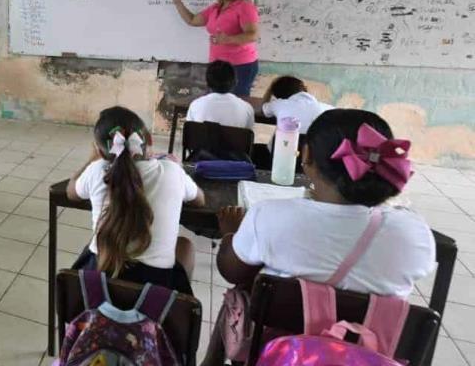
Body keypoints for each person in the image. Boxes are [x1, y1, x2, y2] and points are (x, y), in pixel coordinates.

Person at [203, 109, 435, 363]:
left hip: (284, 356)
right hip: (369, 357)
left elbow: (231, 270)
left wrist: (230, 233)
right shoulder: (415, 233)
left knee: (242, 288)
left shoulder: (269, 216)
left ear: (306, 156)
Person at [66, 106, 206, 293]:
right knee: (185, 247)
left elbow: (71, 191)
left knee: (94, 246)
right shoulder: (171, 171)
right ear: (149, 139)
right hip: (155, 290)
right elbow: (200, 200)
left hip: (97, 284)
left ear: (100, 153)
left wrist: (91, 162)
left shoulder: (97, 170)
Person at [169, 0, 260, 96]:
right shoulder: (215, 8)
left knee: (237, 102)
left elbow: (253, 35)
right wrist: (178, 2)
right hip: (217, 65)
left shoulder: (245, 6)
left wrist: (228, 39)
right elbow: (192, 20)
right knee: (216, 100)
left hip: (240, 66)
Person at [186, 60, 255, 130]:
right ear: (235, 82)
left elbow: (189, 134)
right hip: (233, 141)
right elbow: (248, 138)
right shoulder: (247, 109)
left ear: (207, 83)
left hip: (201, 141)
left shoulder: (195, 105)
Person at [261, 75, 333, 134]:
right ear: (303, 87)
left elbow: (263, 108)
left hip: (281, 149)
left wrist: (270, 89)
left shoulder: (278, 104)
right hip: (316, 150)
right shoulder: (328, 109)